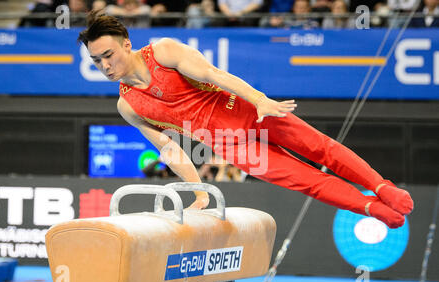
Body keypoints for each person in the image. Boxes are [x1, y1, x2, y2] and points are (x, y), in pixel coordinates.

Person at [77, 11, 414, 228]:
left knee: (321, 149)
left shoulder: (163, 51)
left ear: (126, 44)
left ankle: (380, 186)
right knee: (308, 181)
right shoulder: (128, 106)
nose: (105, 65)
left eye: (108, 55)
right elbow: (167, 147)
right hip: (236, 150)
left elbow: (214, 73)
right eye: (96, 61)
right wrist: (199, 191)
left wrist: (261, 101)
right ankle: (369, 208)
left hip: (246, 112)